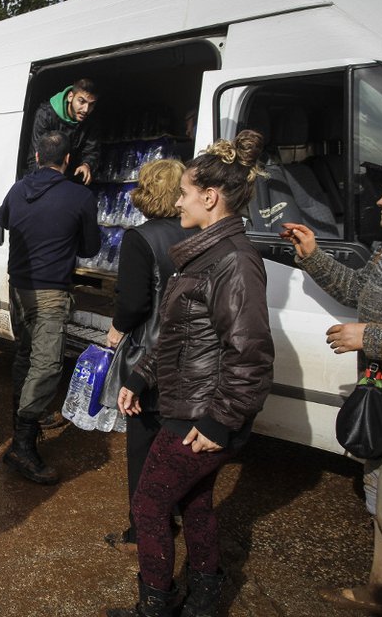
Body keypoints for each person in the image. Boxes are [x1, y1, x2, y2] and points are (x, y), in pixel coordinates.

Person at [106, 130, 275, 617]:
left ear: (210, 197)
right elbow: (176, 334)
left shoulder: (234, 260)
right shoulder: (206, 252)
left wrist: (220, 422)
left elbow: (250, 353)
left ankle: (155, 606)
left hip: (202, 412)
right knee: (196, 502)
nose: (176, 201)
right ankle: (204, 597)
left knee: (149, 504)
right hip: (190, 403)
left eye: (184, 193)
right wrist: (140, 377)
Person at [281, 151, 382, 617]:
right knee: (381, 501)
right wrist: (313, 256)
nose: (380, 201)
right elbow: (357, 291)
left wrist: (369, 337)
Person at [104, 158, 196, 554]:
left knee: (142, 447)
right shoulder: (199, 233)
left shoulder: (140, 238)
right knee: (179, 444)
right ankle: (174, 512)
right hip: (191, 356)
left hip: (150, 357)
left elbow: (134, 303)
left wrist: (116, 329)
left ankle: (142, 529)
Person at [0, 130, 100, 484]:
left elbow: (5, 221)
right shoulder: (80, 196)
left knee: (26, 356)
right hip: (51, 292)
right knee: (46, 365)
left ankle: (22, 424)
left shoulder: (16, 190)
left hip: (18, 287)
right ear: (67, 161)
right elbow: (90, 247)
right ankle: (22, 446)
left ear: (38, 157)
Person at [26, 78, 100, 184]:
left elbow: (92, 151)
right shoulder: (46, 115)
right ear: (70, 97)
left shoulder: (90, 121)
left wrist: (87, 165)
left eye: (91, 104)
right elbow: (35, 156)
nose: (86, 109)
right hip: (44, 179)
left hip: (71, 180)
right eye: (81, 101)